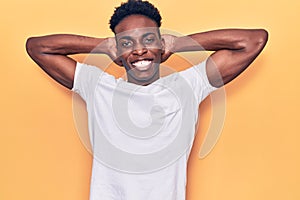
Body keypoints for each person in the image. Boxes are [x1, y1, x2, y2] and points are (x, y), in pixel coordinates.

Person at [26, 0, 268, 199]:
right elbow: (37, 47)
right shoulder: (98, 87)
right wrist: (103, 46)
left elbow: (253, 41)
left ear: (161, 45)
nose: (139, 49)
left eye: (149, 40)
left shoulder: (188, 85)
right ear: (118, 52)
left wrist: (180, 43)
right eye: (128, 43)